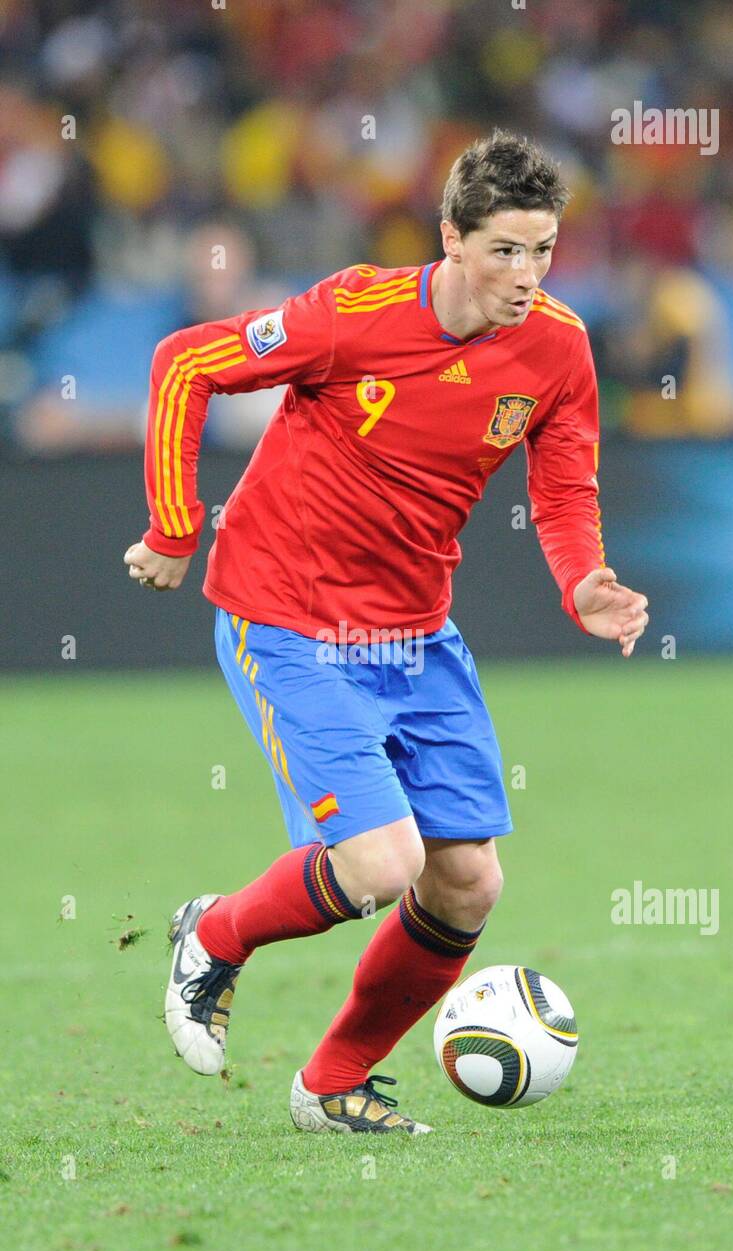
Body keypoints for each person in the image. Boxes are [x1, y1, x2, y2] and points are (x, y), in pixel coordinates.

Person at [124, 130, 649, 1135]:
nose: (525, 275)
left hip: (412, 631)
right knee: (378, 865)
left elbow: (564, 484)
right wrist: (172, 527)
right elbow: (185, 363)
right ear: (448, 237)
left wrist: (581, 579)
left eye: (542, 250)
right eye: (503, 249)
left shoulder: (557, 346)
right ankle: (213, 934)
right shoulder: (351, 313)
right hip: (286, 615)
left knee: (465, 882)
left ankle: (330, 1083)